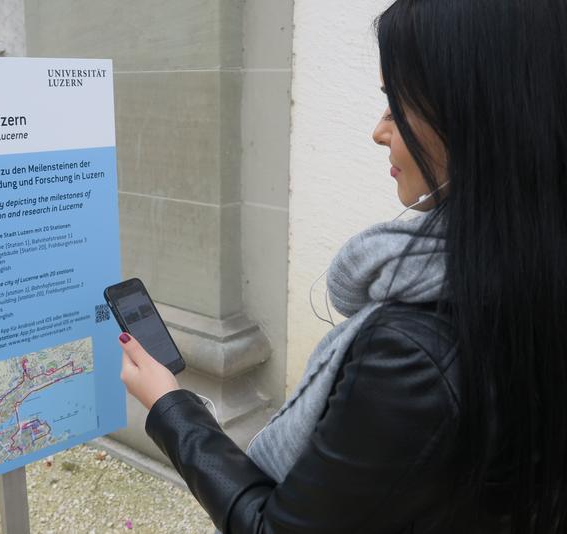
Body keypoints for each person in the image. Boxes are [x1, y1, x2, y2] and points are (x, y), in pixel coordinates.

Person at [117, 0, 567, 532]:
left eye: (396, 104)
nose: (380, 131)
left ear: (476, 115)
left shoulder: (416, 352)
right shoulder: (530, 268)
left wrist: (170, 407)